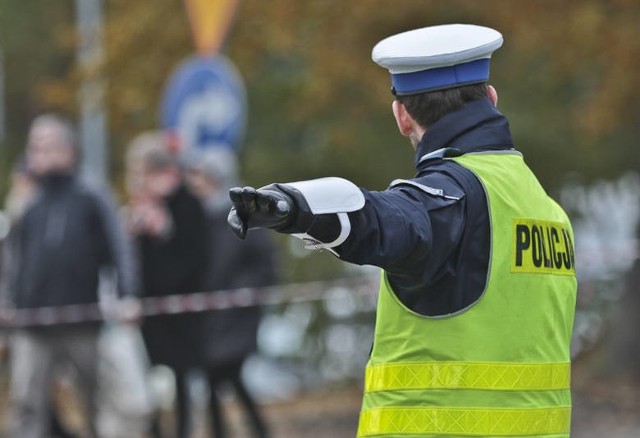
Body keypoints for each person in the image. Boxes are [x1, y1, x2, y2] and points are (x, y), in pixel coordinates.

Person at [227, 24, 577, 437]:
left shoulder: (449, 197)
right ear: (492, 98)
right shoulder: (548, 211)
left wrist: (295, 209)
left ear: (402, 116)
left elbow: (386, 220)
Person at [1, 113, 140, 438]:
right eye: (34, 146)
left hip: (82, 320)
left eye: (47, 145)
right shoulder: (27, 202)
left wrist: (127, 293)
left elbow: (120, 247)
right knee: (27, 405)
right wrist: (7, 300)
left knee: (96, 403)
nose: (38, 153)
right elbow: (12, 257)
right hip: (32, 323)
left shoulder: (92, 195)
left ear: (68, 150)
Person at [184, 148, 276, 438]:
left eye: (200, 175)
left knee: (225, 374)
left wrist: (240, 293)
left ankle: (254, 429)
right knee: (215, 377)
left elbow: (265, 265)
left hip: (237, 314)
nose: (195, 182)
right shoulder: (199, 218)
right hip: (211, 315)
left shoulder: (244, 216)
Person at [125, 132, 209, 438]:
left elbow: (193, 259)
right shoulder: (143, 208)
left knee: (182, 381)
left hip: (183, 313)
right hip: (152, 313)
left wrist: (162, 234)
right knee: (148, 381)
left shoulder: (187, 204)